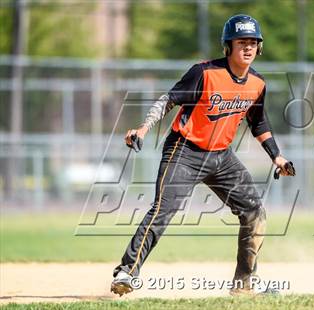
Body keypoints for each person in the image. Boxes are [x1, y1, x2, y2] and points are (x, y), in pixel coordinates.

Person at [110, 14, 295, 297]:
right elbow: (168, 99)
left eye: (253, 42)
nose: (247, 47)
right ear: (227, 46)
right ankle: (127, 271)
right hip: (184, 151)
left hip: (221, 157)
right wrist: (144, 128)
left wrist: (277, 157)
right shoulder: (205, 73)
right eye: (241, 42)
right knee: (162, 211)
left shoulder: (257, 83)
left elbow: (258, 122)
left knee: (254, 213)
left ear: (260, 47)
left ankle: (244, 284)